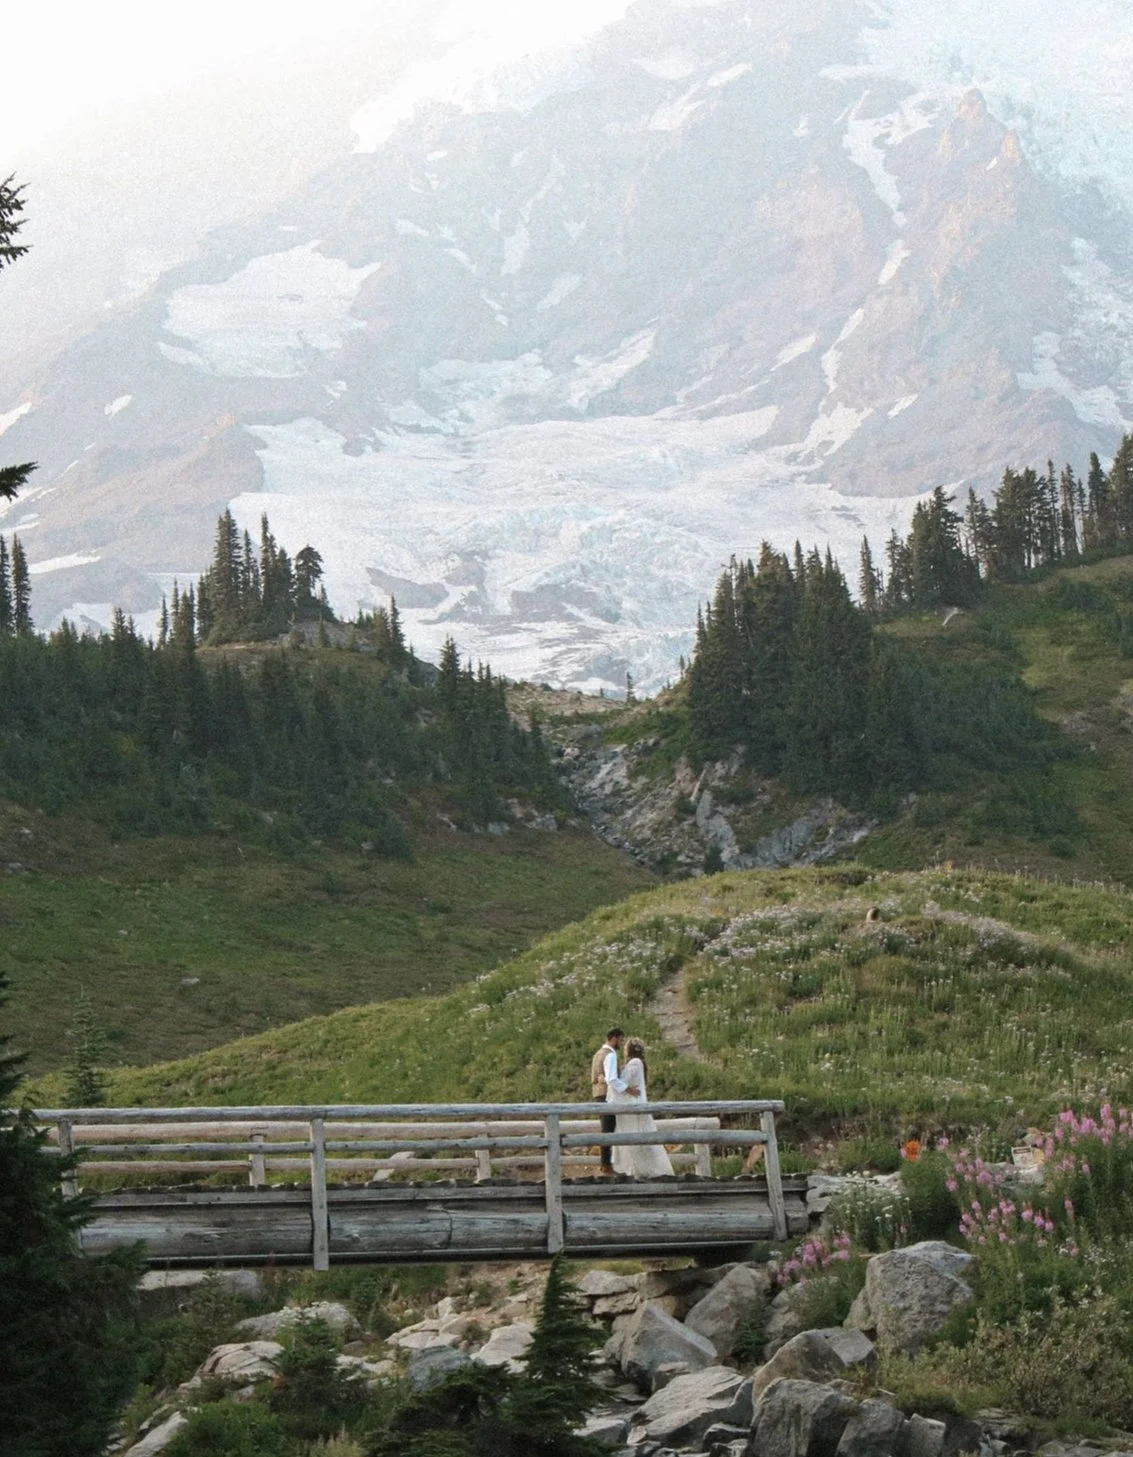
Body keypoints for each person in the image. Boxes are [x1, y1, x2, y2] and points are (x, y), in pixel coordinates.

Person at [608, 1037, 674, 1179]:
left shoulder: (634, 1063)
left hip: (633, 1108)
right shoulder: (638, 1063)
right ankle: (637, 1169)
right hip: (635, 1105)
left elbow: (623, 1083)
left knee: (637, 1138)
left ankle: (642, 1170)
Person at [591, 1027, 627, 1176]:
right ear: (614, 1038)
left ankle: (607, 1163)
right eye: (620, 1039)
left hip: (598, 1094)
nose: (621, 1042)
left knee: (607, 1128)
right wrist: (626, 1088)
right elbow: (611, 1079)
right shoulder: (609, 1055)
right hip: (607, 1095)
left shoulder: (597, 1054)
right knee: (608, 1130)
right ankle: (606, 1164)